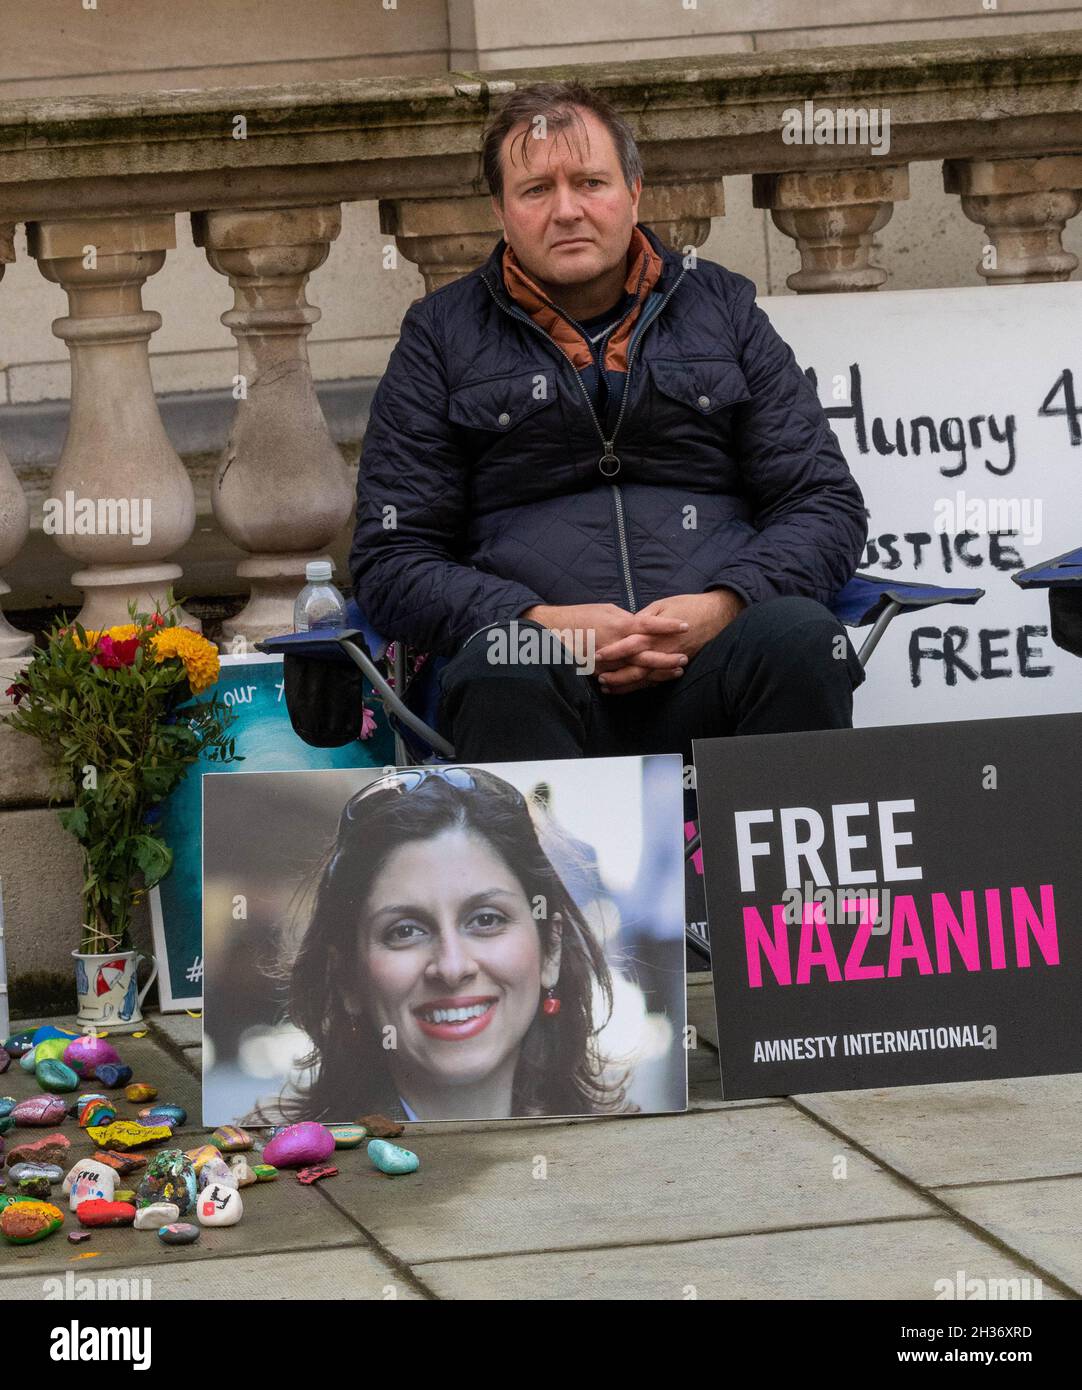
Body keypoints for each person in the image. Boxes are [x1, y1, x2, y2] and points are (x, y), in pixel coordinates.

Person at [350, 80, 868, 764]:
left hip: (715, 664)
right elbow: (391, 556)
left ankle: (786, 875)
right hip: (538, 681)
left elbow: (823, 502)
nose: (567, 210)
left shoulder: (721, 307)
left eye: (590, 182)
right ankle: (536, 874)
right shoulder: (440, 336)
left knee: (802, 636)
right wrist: (540, 624)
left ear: (634, 192)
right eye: (536, 190)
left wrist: (725, 605)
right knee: (502, 663)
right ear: (502, 210)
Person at [249, 766, 638, 1124]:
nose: (452, 968)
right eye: (405, 931)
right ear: (348, 976)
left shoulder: (624, 1147)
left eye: (486, 919)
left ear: (550, 949)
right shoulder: (272, 1160)